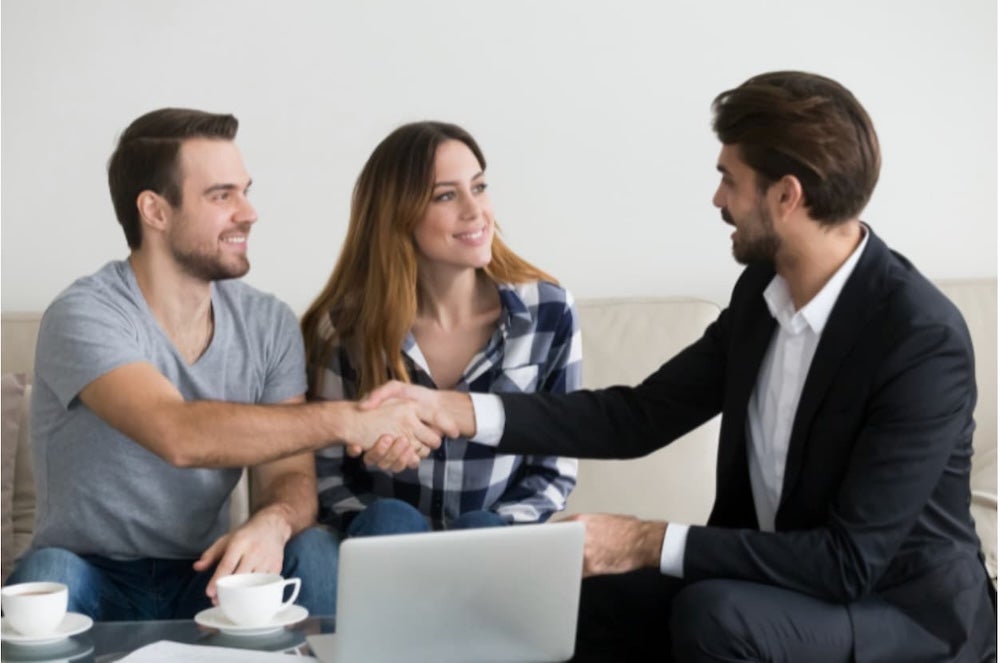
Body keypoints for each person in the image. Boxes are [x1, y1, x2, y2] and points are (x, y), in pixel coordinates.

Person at [360, 73, 997, 661]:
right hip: (780, 585)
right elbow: (635, 417)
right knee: (582, 603)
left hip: (900, 612)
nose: (717, 197)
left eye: (730, 178)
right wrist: (457, 410)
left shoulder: (918, 339)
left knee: (715, 614)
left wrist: (641, 540)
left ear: (786, 195)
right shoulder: (762, 297)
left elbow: (849, 561)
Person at [7, 108, 452, 622]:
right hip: (90, 574)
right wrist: (352, 419)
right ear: (155, 211)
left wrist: (275, 521)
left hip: (208, 574)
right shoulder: (84, 314)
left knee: (316, 553)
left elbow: (288, 473)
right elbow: (178, 433)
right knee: (50, 575)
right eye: (222, 196)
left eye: (245, 191)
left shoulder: (267, 323)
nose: (248, 212)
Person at [300, 121, 580, 542]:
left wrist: (495, 531)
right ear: (399, 215)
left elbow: (553, 469)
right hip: (383, 550)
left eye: (479, 187)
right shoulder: (343, 330)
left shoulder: (548, 314)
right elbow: (327, 476)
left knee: (482, 530)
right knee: (389, 521)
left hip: (492, 552)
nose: (475, 210)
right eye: (446, 196)